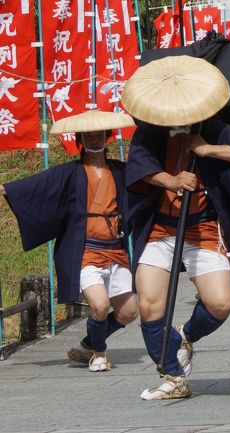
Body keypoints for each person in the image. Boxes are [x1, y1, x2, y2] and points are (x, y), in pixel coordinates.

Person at [122, 56, 230, 399]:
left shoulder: (213, 127)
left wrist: (208, 149)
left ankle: (185, 335)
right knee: (150, 305)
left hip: (203, 228)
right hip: (160, 229)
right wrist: (170, 180)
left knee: (220, 304)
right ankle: (173, 377)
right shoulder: (150, 131)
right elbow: (138, 167)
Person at [0, 110, 138, 372]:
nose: (95, 140)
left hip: (115, 248)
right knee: (99, 305)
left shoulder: (121, 171)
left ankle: (87, 344)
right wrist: (6, 189)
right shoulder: (68, 173)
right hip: (85, 249)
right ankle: (98, 352)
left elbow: (147, 184)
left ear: (107, 137)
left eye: (100, 135)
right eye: (89, 136)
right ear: (80, 139)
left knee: (129, 311)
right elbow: (35, 186)